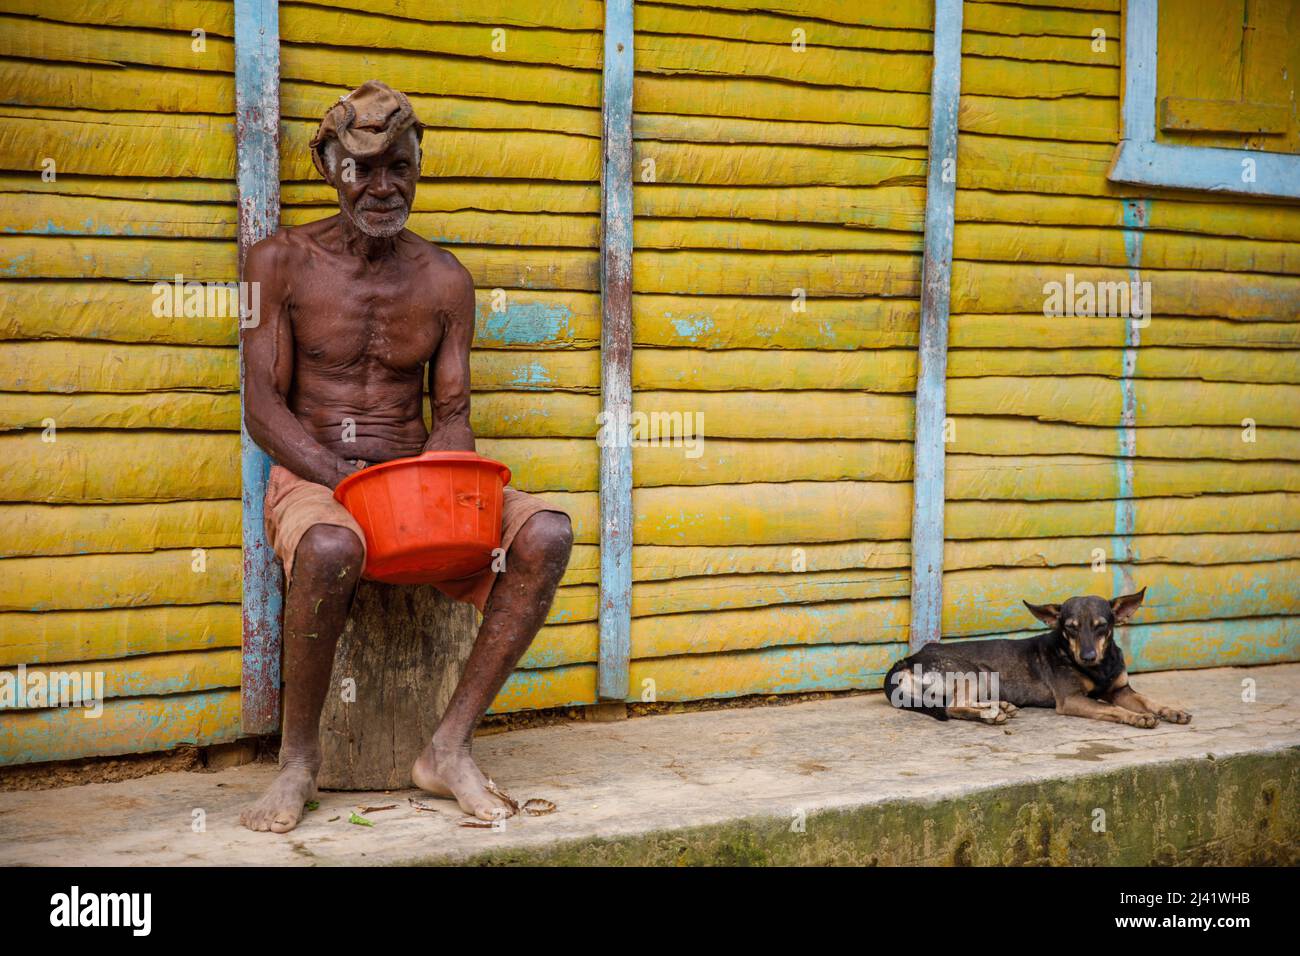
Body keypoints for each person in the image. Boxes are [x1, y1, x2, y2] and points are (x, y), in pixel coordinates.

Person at [239, 81, 573, 833]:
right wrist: (342, 481)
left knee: (547, 532)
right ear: (328, 165)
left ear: (422, 164)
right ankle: (297, 762)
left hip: (415, 477)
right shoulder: (273, 264)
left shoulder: (446, 279)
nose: (384, 187)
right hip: (317, 478)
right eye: (364, 167)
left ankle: (448, 748)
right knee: (327, 547)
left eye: (401, 166)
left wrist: (439, 492)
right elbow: (261, 406)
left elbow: (452, 416)